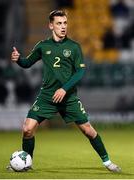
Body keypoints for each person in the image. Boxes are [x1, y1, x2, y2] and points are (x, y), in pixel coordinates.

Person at [9, 10, 121, 172]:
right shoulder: (43, 46)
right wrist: (18, 59)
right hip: (47, 96)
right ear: (51, 25)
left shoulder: (74, 47)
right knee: (27, 129)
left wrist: (64, 88)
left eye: (65, 23)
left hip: (68, 97)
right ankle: (26, 162)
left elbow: (80, 72)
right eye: (59, 23)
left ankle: (107, 162)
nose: (63, 27)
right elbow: (27, 63)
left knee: (88, 130)